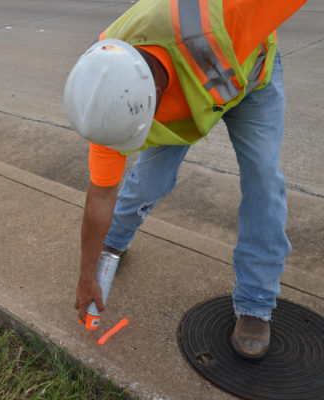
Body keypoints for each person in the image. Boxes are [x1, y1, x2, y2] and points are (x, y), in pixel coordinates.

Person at [64, 0, 307, 360]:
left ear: (155, 98)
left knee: (264, 182)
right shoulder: (105, 89)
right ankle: (114, 245)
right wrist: (88, 275)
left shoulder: (234, 15)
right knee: (148, 179)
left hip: (248, 83)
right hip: (186, 106)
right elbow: (101, 194)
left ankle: (256, 302)